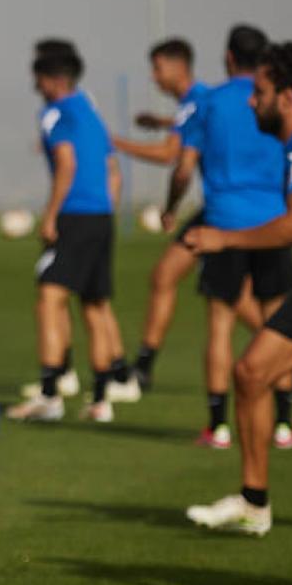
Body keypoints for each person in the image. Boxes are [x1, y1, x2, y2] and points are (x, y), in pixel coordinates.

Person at [183, 42, 292, 535]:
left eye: (259, 93)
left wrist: (222, 237)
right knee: (250, 372)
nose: (250, 101)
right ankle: (254, 501)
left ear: (285, 97)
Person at [169, 25, 291, 448]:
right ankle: (285, 424)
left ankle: (218, 425)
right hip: (275, 222)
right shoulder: (277, 99)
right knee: (280, 322)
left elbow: (184, 167)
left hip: (222, 223)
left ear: (228, 57)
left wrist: (171, 207)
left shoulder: (211, 102)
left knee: (220, 325)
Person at [6, 40, 137, 424]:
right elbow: (113, 170)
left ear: (52, 80)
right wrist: (105, 208)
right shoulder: (91, 111)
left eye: (39, 78)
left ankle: (50, 393)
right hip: (99, 217)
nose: (36, 86)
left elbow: (65, 163)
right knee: (94, 305)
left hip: (75, 215)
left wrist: (50, 216)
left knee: (49, 296)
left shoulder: (55, 113)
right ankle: (100, 400)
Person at [110, 37, 207, 392]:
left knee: (230, 298)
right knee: (167, 276)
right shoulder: (197, 103)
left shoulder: (196, 99)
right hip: (227, 210)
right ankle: (144, 367)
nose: (154, 77)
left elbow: (172, 157)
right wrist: (164, 120)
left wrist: (117, 143)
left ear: (179, 65)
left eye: (158, 67)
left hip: (223, 212)